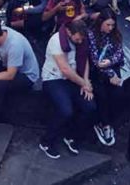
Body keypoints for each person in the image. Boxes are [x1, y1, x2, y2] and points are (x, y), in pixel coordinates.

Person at [38, 20, 96, 160]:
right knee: (65, 110)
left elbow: (84, 59)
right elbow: (65, 69)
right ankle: (46, 141)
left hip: (74, 79)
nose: (80, 40)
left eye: (82, 38)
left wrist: (86, 80)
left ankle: (71, 136)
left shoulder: (81, 40)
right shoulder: (56, 41)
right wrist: (83, 83)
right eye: (78, 38)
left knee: (90, 107)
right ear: (69, 32)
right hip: (54, 78)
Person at [87, 9, 124, 147]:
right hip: (98, 72)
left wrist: (110, 63)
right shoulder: (91, 35)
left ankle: (107, 122)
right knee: (101, 94)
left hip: (111, 66)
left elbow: (119, 53)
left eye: (112, 25)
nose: (110, 28)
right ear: (101, 22)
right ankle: (105, 124)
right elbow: (96, 61)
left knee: (117, 93)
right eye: (108, 25)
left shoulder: (115, 34)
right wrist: (111, 74)